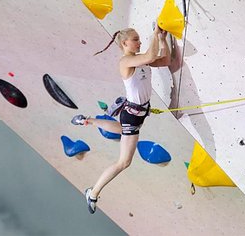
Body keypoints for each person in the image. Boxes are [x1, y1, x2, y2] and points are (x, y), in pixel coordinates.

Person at [71, 25, 171, 214]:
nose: (140, 42)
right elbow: (150, 56)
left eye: (140, 39)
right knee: (124, 162)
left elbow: (165, 60)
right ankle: (93, 192)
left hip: (134, 114)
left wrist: (163, 39)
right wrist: (155, 35)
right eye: (136, 39)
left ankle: (89, 120)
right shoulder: (125, 61)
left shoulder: (141, 61)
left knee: (121, 129)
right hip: (133, 116)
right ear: (125, 43)